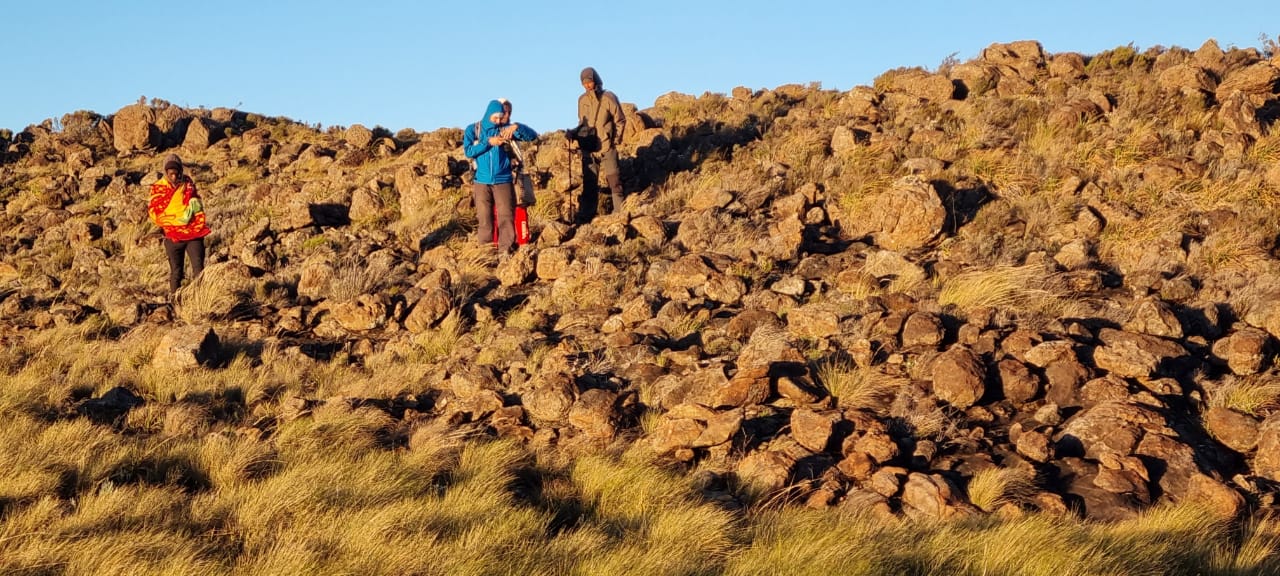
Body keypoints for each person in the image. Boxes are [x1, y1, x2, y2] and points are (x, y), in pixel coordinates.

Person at [464, 99, 537, 255]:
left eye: (500, 117)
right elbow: (469, 151)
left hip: (504, 180)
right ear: (488, 114)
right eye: (495, 117)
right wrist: (488, 142)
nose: (498, 121)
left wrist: (517, 127)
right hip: (481, 181)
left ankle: (505, 251)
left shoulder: (505, 129)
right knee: (485, 219)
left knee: (506, 218)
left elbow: (532, 136)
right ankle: (486, 254)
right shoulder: (473, 129)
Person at [568, 67, 626, 222]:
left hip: (607, 146)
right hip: (589, 148)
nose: (587, 85)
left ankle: (619, 214)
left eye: (590, 81)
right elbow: (582, 124)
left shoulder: (609, 97)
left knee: (614, 181)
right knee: (589, 184)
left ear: (596, 80)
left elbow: (620, 120)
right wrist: (572, 133)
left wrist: (616, 140)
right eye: (584, 83)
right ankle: (587, 216)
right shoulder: (582, 100)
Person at [148, 153, 210, 293]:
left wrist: (194, 206)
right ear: (165, 173)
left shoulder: (188, 183)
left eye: (177, 174)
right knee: (176, 272)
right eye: (171, 174)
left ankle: (202, 299)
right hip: (172, 237)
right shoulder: (158, 188)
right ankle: (175, 302)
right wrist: (179, 217)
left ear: (181, 172)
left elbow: (195, 202)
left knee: (198, 270)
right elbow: (155, 212)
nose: (174, 177)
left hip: (194, 233)